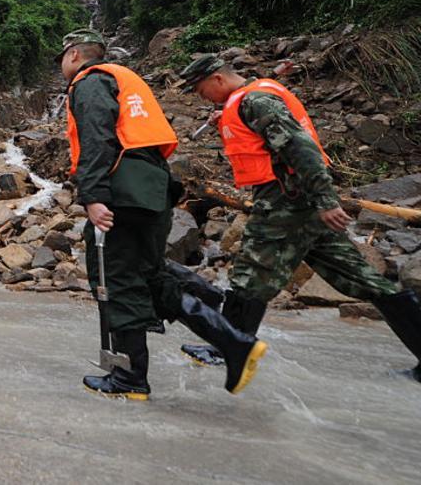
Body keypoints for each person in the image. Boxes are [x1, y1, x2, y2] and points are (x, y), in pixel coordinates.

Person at [178, 54, 421, 382]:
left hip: (287, 199)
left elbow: (300, 149)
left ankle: (229, 346)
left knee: (251, 269)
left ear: (218, 79)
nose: (199, 96)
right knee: (363, 278)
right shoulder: (251, 97)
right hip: (298, 199)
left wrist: (326, 200)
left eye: (199, 88)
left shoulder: (256, 101)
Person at [58, 29, 266, 399]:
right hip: (153, 189)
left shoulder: (89, 81)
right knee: (151, 277)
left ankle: (130, 378)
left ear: (75, 55)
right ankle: (231, 339)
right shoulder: (128, 80)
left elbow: (97, 139)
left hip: (122, 190)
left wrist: (92, 195)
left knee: (118, 277)